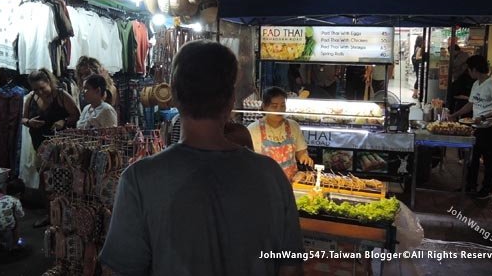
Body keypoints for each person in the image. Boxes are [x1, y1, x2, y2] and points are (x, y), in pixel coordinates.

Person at [100, 40, 304, 276]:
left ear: (174, 97)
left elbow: (118, 271)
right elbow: (291, 267)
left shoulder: (139, 180)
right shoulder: (271, 175)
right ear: (231, 101)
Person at [448, 55, 492, 199]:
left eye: (469, 69)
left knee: (489, 161)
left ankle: (487, 190)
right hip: (475, 127)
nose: (468, 72)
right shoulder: (476, 84)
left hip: (489, 128)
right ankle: (470, 185)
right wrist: (455, 114)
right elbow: (471, 104)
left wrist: (483, 117)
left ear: (475, 69)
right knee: (472, 158)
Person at [248, 86, 314, 181]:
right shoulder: (253, 129)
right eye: (274, 106)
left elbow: (301, 151)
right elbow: (250, 161)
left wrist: (304, 157)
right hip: (265, 182)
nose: (279, 109)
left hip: (290, 182)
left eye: (282, 105)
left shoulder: (293, 126)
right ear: (265, 107)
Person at [22, 69, 80, 150]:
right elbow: (23, 119)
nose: (40, 92)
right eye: (35, 90)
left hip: (62, 146)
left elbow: (76, 115)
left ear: (48, 82)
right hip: (39, 145)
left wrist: (64, 121)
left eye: (42, 88)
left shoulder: (61, 96)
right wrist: (29, 122)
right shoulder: (31, 98)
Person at [0, 178, 25, 251]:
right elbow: (20, 214)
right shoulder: (15, 200)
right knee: (16, 223)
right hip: (4, 225)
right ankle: (15, 245)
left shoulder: (0, 198)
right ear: (19, 194)